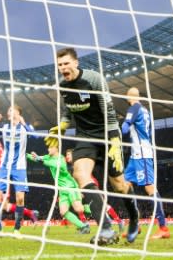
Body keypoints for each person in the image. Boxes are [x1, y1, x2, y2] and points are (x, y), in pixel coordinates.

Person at [46, 47, 139, 245]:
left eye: (66, 63)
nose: (63, 68)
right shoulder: (62, 86)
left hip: (106, 135)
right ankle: (105, 228)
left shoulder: (94, 79)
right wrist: (62, 125)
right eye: (60, 65)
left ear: (76, 63)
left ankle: (134, 218)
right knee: (80, 174)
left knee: (119, 185)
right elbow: (68, 112)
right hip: (85, 137)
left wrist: (115, 140)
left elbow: (110, 112)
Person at [121, 87, 169, 239]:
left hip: (142, 154)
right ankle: (135, 223)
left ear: (129, 96)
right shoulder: (144, 110)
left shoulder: (134, 107)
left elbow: (124, 129)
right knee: (125, 185)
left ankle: (163, 228)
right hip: (136, 155)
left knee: (150, 188)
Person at [0, 105, 33, 238]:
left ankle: (17, 230)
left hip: (19, 168)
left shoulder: (25, 128)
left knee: (20, 198)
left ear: (19, 113)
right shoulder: (4, 127)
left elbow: (35, 136)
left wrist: (24, 122)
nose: (11, 112)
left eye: (13, 110)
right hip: (4, 167)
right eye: (9, 110)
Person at [29, 145, 91, 234]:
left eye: (50, 147)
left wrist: (40, 159)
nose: (48, 149)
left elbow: (52, 164)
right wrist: (23, 154)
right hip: (62, 190)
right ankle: (83, 226)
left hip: (70, 187)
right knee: (63, 212)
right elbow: (35, 158)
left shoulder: (61, 159)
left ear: (56, 148)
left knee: (79, 209)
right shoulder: (48, 157)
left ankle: (90, 208)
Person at [65, 149, 124, 234]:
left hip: (89, 185)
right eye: (66, 155)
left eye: (69, 154)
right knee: (80, 205)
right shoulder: (72, 166)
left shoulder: (77, 163)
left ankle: (117, 221)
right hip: (82, 186)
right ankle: (85, 225)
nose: (67, 157)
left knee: (100, 204)